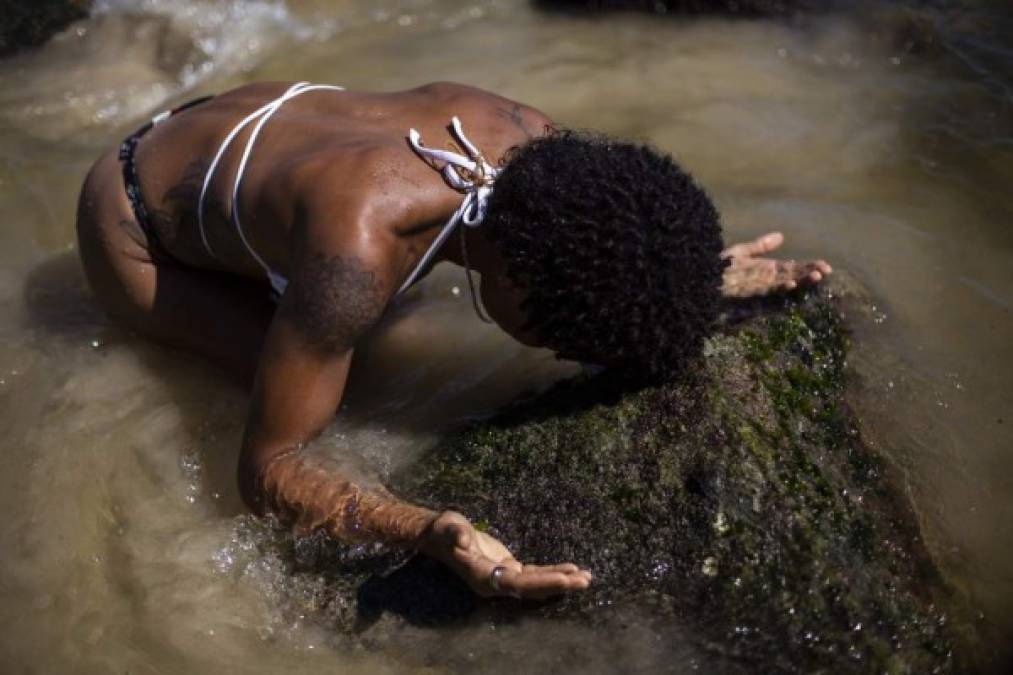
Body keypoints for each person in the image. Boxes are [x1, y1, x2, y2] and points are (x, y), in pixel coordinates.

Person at [76, 81, 831, 600]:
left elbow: (614, 223)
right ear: (522, 300)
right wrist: (426, 530)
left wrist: (688, 277)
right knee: (337, 393)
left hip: (228, 131)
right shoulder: (358, 252)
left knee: (344, 341)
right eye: (552, 338)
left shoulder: (532, 140)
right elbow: (266, 470)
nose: (551, 351)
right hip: (138, 219)